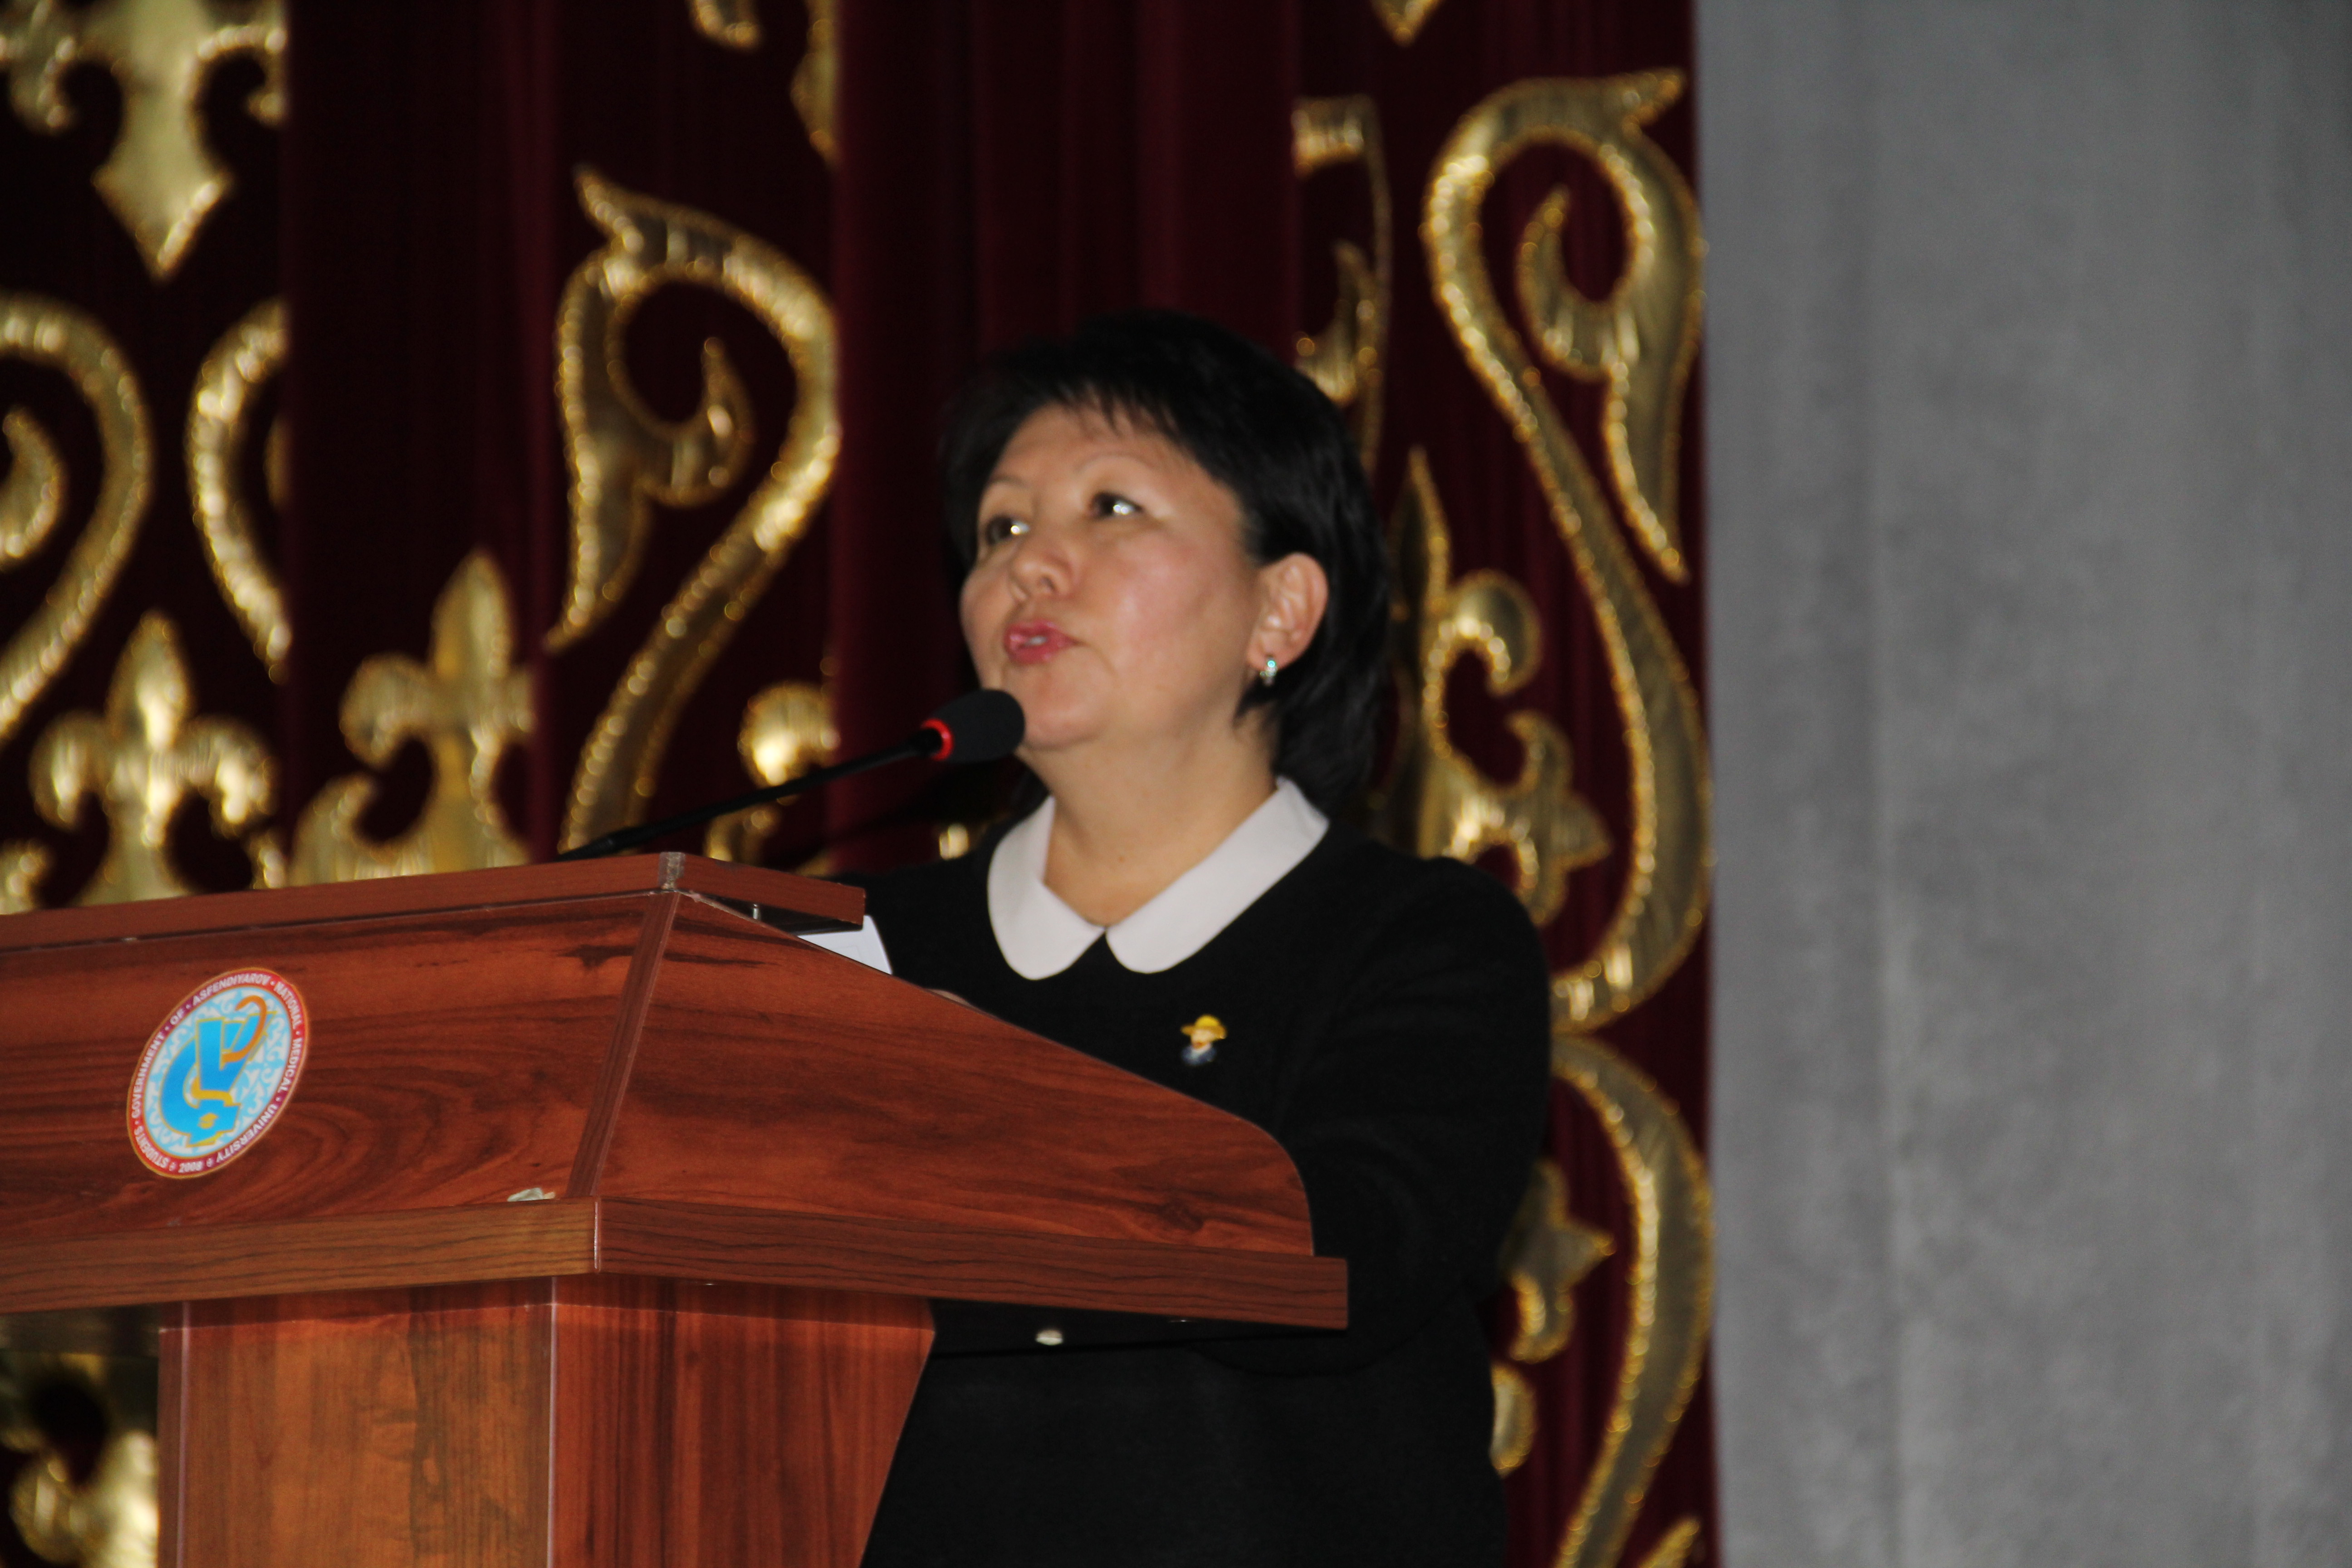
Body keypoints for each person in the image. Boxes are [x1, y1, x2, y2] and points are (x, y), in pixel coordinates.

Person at [849, 310, 1551, 1568]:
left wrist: (979, 1108)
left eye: (1112, 508)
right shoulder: (864, 950)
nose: (1032, 566)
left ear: (1281, 609)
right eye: (1002, 528)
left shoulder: (1420, 943)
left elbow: (1338, 1261)